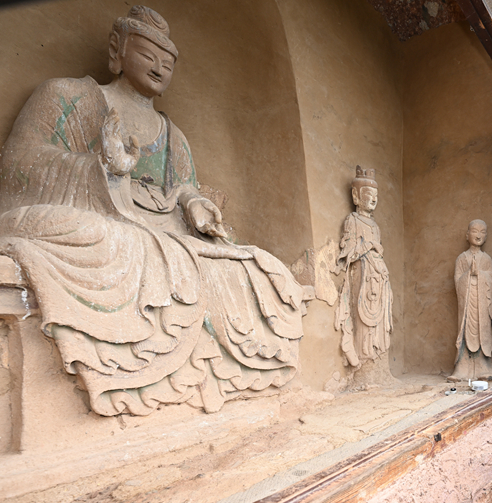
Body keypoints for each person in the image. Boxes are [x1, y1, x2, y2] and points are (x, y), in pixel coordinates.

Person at [0, 6, 312, 416]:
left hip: (162, 227)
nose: (160, 67)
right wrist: (100, 168)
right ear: (118, 51)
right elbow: (17, 165)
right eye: (148, 55)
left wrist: (193, 202)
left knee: (249, 262)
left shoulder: (173, 136)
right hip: (98, 217)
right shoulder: (65, 96)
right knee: (100, 236)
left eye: (168, 62)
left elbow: (181, 188)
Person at [334, 166, 393, 378]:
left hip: (379, 276)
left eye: (376, 195)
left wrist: (377, 250)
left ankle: (380, 368)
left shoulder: (375, 225)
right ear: (356, 196)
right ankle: (365, 369)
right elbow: (349, 254)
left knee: (380, 324)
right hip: (363, 276)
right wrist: (369, 246)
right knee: (363, 321)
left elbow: (379, 249)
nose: (374, 199)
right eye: (369, 194)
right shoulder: (353, 220)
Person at [448, 219, 492, 382]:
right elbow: (457, 281)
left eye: (482, 232)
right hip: (467, 303)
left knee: (482, 331)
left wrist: (481, 274)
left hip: (482, 302)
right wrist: (468, 275)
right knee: (465, 330)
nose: (478, 235)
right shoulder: (462, 258)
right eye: (474, 231)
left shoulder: (486, 259)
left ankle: (483, 366)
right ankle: (462, 368)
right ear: (467, 235)